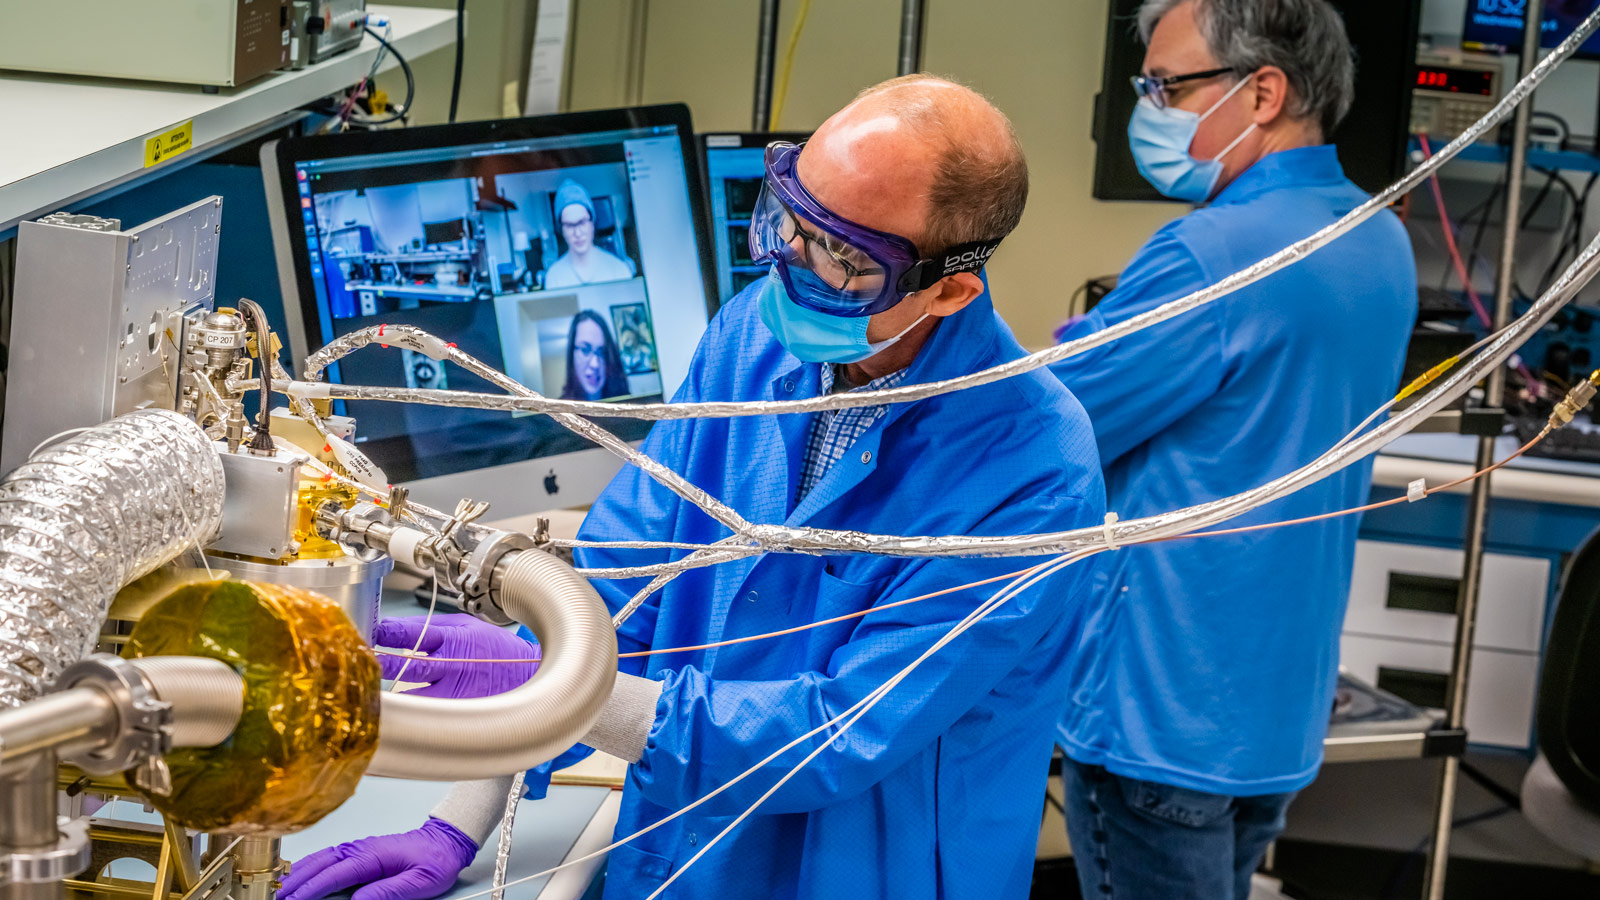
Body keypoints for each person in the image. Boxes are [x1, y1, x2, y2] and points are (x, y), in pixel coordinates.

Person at [280, 75, 1106, 900]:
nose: (787, 264)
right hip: (677, 853)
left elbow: (836, 733)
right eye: (786, 216)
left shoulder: (1034, 472)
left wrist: (555, 690)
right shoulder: (753, 337)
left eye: (844, 258)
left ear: (951, 286)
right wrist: (456, 822)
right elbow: (613, 592)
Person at [1047, 2, 1417, 899]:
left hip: (1158, 715)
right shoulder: (1381, 240)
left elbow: (1055, 433)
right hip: (1273, 716)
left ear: (1263, 93)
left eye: (1168, 86)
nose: (1151, 106)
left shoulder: (1211, 254)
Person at [542, 179, 634, 288]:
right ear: (561, 229)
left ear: (592, 223)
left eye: (582, 222)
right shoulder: (554, 277)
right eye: (569, 225)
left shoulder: (619, 270)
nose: (577, 233)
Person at [560, 309, 631, 400]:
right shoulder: (557, 412)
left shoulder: (627, 404)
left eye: (602, 352)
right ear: (572, 355)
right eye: (585, 350)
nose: (595, 364)